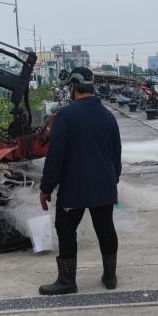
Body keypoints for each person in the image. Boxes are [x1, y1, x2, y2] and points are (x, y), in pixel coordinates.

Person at [38, 67, 122, 295]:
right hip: (104, 184)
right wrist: (111, 181)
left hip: (75, 187)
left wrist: (46, 188)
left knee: (66, 229)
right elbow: (116, 156)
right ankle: (110, 276)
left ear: (73, 87)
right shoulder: (108, 116)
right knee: (105, 228)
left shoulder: (66, 116)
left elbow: (55, 157)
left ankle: (67, 281)